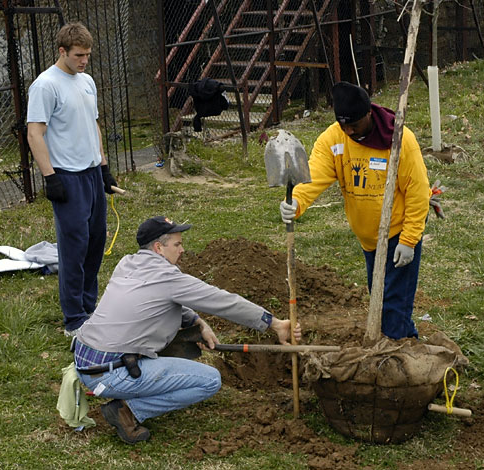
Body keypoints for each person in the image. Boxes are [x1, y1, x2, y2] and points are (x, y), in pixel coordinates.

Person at [74, 216, 302, 444]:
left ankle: (129, 393)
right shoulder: (169, 278)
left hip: (86, 362)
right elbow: (224, 302)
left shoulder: (127, 263)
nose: (182, 250)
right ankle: (128, 411)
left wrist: (196, 321)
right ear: (158, 248)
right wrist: (274, 324)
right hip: (111, 373)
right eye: (177, 244)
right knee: (209, 380)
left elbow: (158, 299)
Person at [279, 81, 431, 340]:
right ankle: (405, 343)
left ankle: (402, 357)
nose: (349, 131)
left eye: (355, 125)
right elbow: (315, 174)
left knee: (393, 308)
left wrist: (408, 239)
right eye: (343, 125)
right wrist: (297, 202)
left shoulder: (399, 139)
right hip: (368, 240)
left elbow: (418, 192)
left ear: (369, 114)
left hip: (397, 235)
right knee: (381, 302)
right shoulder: (333, 139)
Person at [27, 22, 118, 336]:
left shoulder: (87, 81)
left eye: (88, 55)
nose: (84, 61)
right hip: (67, 176)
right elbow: (34, 133)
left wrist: (103, 168)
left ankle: (90, 308)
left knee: (95, 242)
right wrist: (50, 177)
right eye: (79, 55)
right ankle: (74, 320)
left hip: (92, 174)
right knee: (74, 247)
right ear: (62, 51)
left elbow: (93, 126)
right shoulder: (45, 85)